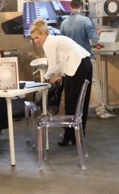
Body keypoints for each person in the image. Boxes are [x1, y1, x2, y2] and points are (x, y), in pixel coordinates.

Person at [30, 18, 93, 146]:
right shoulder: (55, 39)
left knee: (71, 103)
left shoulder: (48, 43)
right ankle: (77, 135)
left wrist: (44, 79)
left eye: (37, 38)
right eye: (34, 39)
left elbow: (53, 66)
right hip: (84, 64)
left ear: (43, 33)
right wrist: (63, 75)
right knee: (80, 103)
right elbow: (62, 61)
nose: (36, 41)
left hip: (78, 67)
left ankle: (69, 136)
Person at [60, 0, 116, 119]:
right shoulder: (85, 20)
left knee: (73, 87)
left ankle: (75, 113)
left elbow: (62, 43)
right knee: (94, 83)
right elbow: (94, 39)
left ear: (70, 7)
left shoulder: (64, 23)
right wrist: (98, 33)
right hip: (86, 58)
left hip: (70, 61)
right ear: (81, 7)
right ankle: (101, 111)